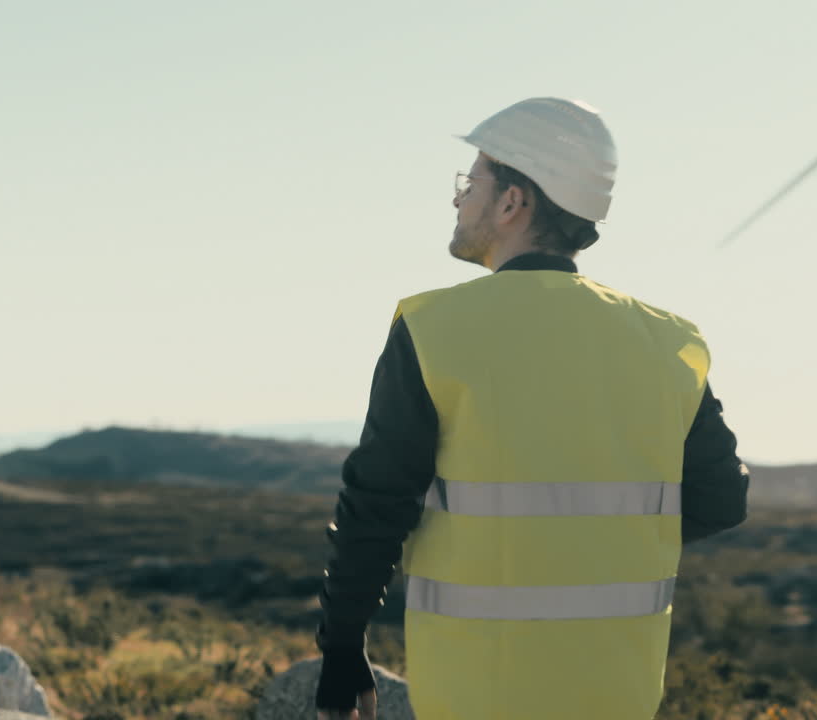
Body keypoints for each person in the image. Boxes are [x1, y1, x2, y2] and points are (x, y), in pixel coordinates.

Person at [314, 97, 751, 720]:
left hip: (476, 689)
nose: (460, 200)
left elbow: (376, 504)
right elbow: (721, 501)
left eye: (471, 184)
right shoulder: (668, 340)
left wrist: (340, 647)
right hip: (619, 691)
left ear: (513, 201)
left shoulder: (436, 328)